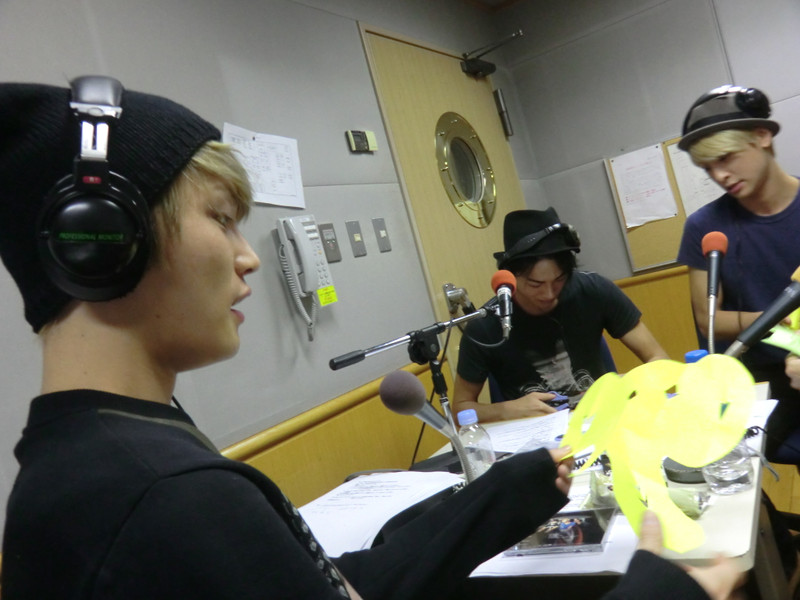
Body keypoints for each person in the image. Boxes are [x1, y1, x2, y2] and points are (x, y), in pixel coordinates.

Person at [0, 77, 739, 600]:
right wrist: (669, 584)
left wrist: (506, 492)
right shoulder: (163, 497)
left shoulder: (104, 461)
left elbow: (334, 584)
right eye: (222, 219)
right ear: (99, 241)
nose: (248, 256)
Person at [676, 84, 800, 461]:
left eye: (726, 158)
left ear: (762, 136)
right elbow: (708, 319)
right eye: (708, 168)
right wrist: (780, 323)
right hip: (758, 377)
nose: (720, 175)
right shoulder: (704, 227)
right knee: (732, 460)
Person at [453, 208, 669, 423]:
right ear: (509, 277)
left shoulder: (594, 291)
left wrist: (626, 384)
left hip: (600, 422)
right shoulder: (485, 326)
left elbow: (659, 359)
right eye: (536, 284)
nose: (549, 294)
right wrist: (507, 409)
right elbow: (460, 409)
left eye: (559, 280)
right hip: (534, 433)